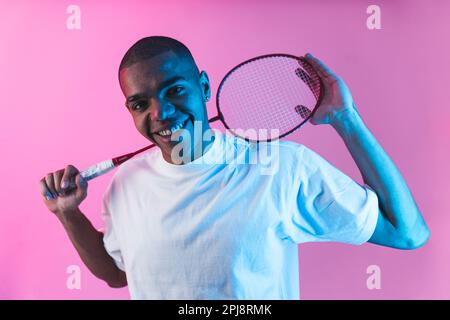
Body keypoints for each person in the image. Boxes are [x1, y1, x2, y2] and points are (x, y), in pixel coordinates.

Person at [39, 36, 429, 299]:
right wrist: (68, 214)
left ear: (205, 87)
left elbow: (407, 233)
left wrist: (347, 119)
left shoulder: (280, 167)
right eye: (141, 104)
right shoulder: (125, 184)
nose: (160, 113)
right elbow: (117, 274)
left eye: (175, 90)